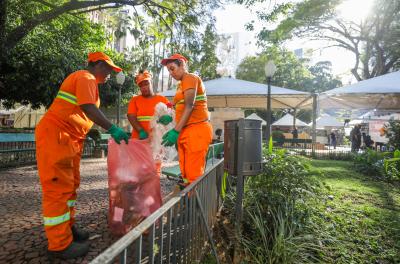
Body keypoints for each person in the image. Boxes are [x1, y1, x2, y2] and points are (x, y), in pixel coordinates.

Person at [35, 52, 129, 260]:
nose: (110, 74)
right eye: (107, 69)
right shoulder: (85, 77)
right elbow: (87, 108)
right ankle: (59, 245)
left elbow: (84, 109)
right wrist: (113, 128)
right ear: (95, 65)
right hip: (57, 136)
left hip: (67, 139)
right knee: (58, 189)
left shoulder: (88, 83)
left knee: (70, 186)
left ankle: (67, 229)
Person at [160, 53, 213, 185]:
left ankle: (194, 203)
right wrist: (170, 115)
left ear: (182, 64)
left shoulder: (190, 78)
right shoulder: (181, 84)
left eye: (172, 68)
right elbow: (181, 106)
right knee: (186, 173)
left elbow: (189, 105)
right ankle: (189, 202)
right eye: (168, 70)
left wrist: (175, 131)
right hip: (187, 131)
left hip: (196, 130)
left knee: (193, 176)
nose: (171, 73)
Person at [127, 70, 171, 175]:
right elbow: (131, 116)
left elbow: (171, 114)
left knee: (155, 168)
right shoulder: (135, 100)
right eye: (141, 85)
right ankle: (139, 190)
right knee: (138, 167)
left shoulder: (162, 99)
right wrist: (141, 131)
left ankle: (153, 188)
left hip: (156, 140)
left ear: (151, 83)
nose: (144, 87)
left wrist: (168, 118)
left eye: (146, 83)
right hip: (139, 138)